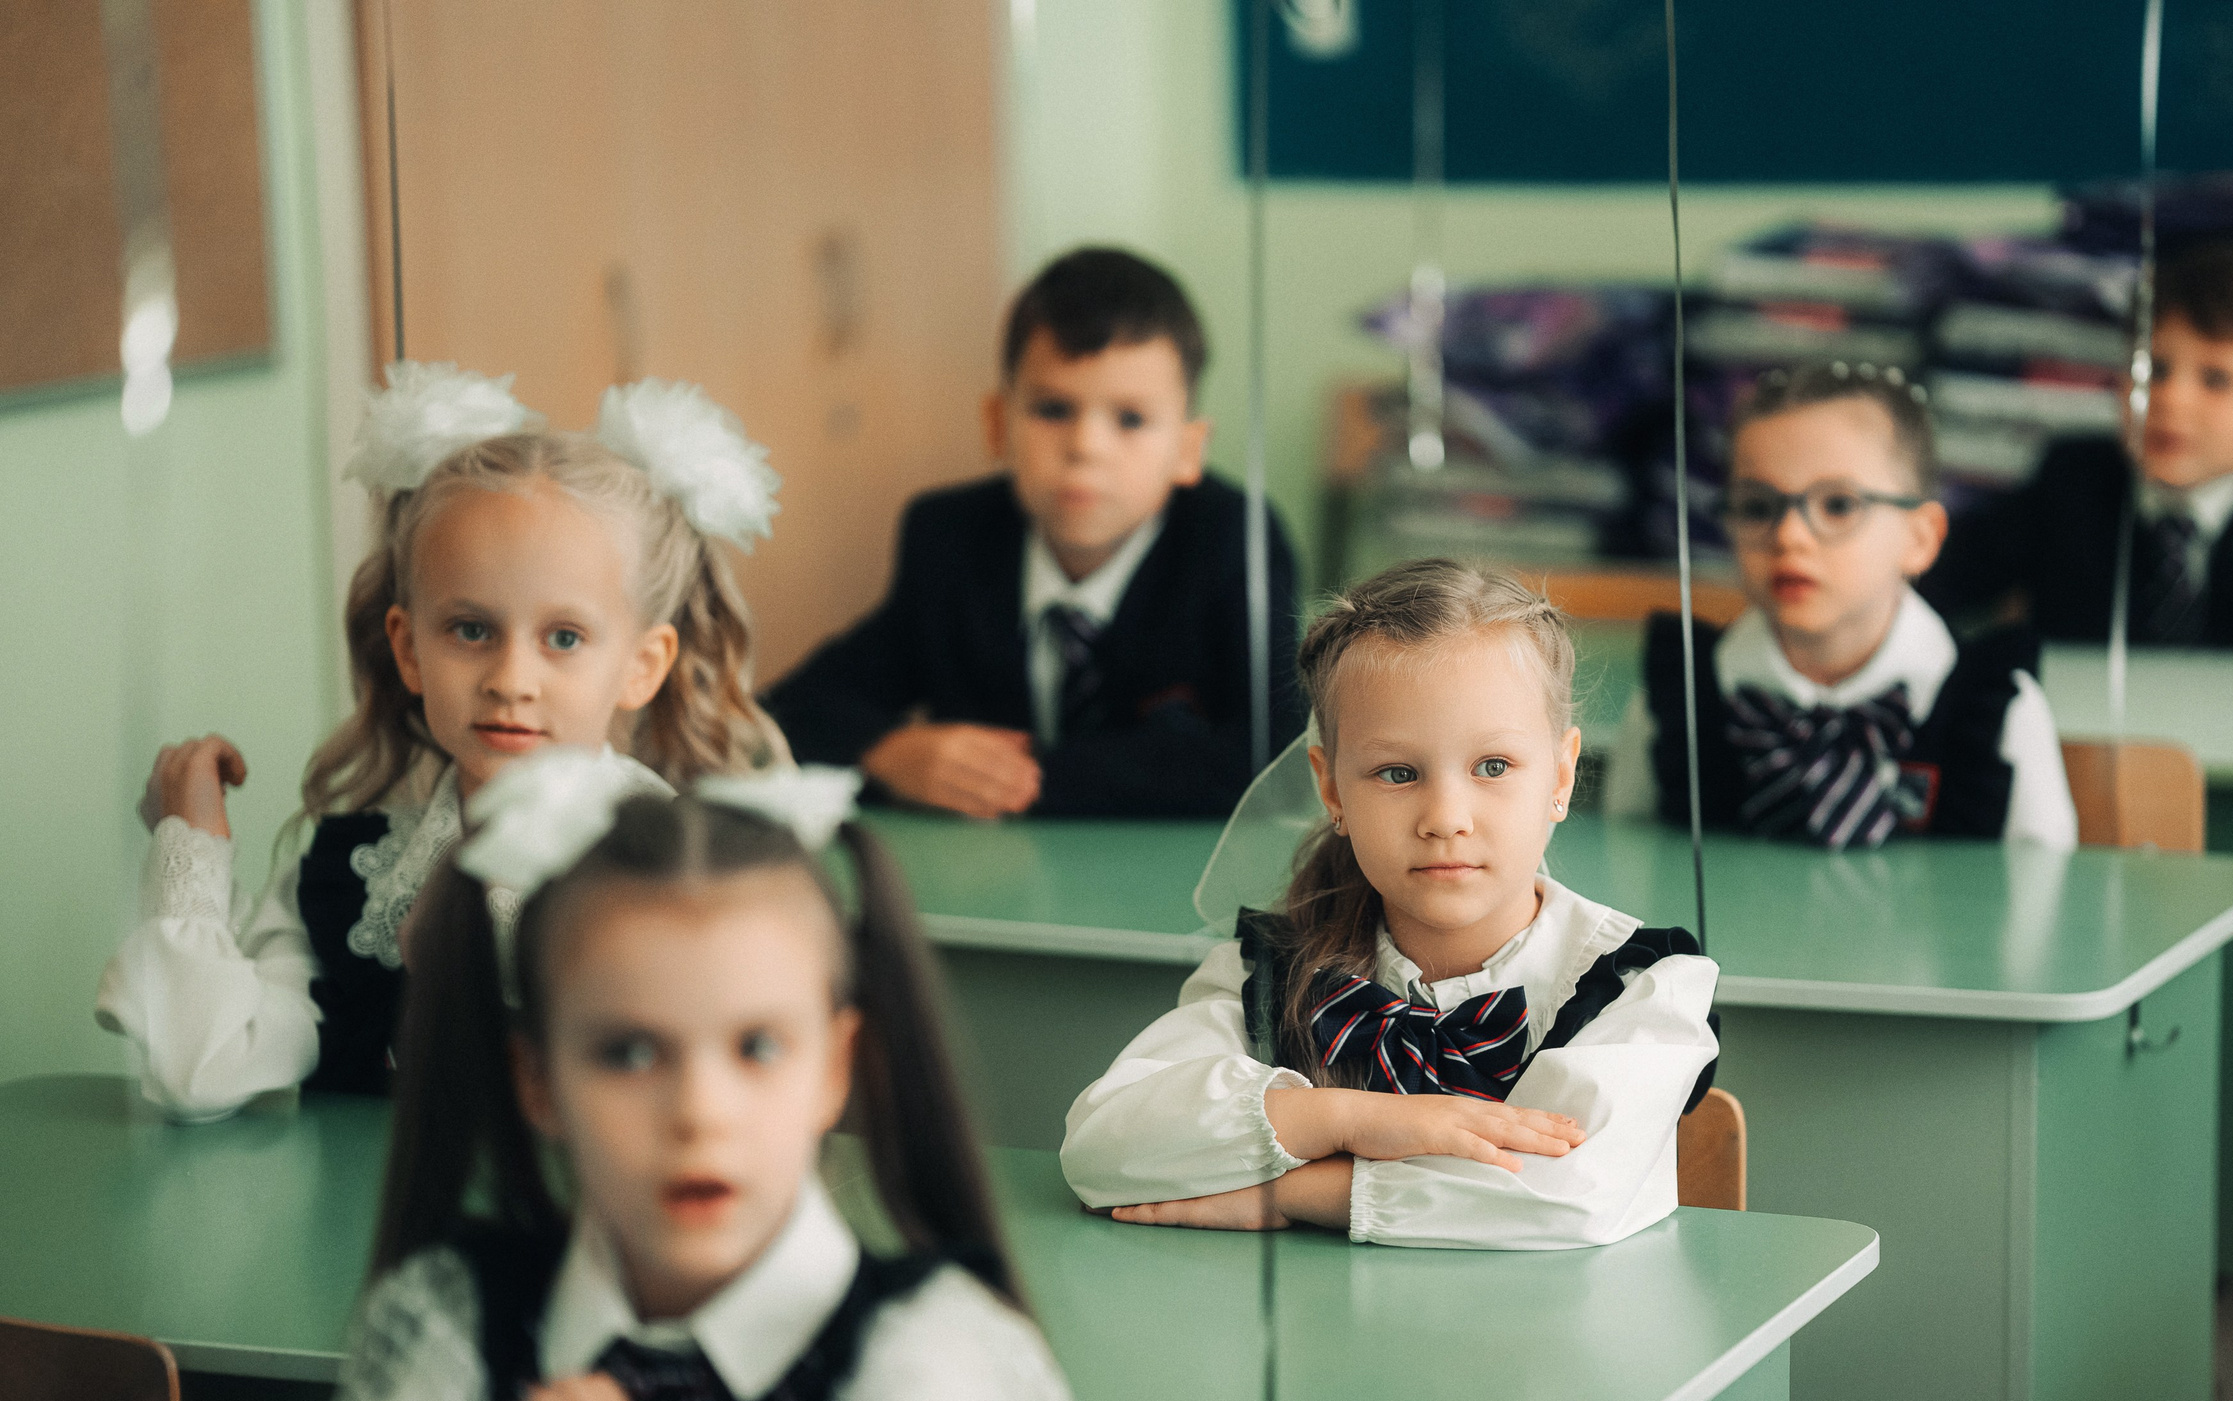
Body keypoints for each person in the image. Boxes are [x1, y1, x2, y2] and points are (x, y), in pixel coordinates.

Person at [233, 754, 1093, 1401]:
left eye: (757, 1047)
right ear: (538, 1080)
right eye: (628, 1052)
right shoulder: (460, 1316)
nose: (698, 1112)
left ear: (834, 1067)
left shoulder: (929, 1342)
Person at [95, 365, 788, 1120]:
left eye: (563, 637)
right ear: (409, 647)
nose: (510, 678)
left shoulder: (688, 874)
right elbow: (205, 1071)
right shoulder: (344, 880)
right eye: (471, 629)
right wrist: (191, 850)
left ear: (641, 665)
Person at [1060, 560, 1719, 1250]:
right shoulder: (1267, 970)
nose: (1445, 817)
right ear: (1333, 789)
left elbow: (1565, 1197)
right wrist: (1345, 1119)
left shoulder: (1643, 986)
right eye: (1397, 773)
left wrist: (1286, 1193)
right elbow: (1100, 1146)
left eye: (1492, 766)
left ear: (1560, 774)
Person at [763, 247, 1301, 818]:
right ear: (998, 424)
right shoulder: (950, 539)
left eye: (1130, 419)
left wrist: (1023, 778)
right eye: (1053, 409)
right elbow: (792, 708)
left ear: (1188, 450)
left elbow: (1274, 758)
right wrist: (888, 750)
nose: (1086, 447)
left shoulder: (1231, 538)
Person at [1615, 362, 2078, 849]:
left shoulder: (2000, 708)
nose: (1789, 536)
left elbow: (2040, 898)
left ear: (1921, 539)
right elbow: (1631, 874)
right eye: (1756, 507)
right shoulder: (1676, 700)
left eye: (1837, 505)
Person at [1921, 236, 2233, 654]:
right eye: (2154, 370)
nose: (2168, 400)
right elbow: (1939, 583)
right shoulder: (2071, 482)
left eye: (2216, 380)